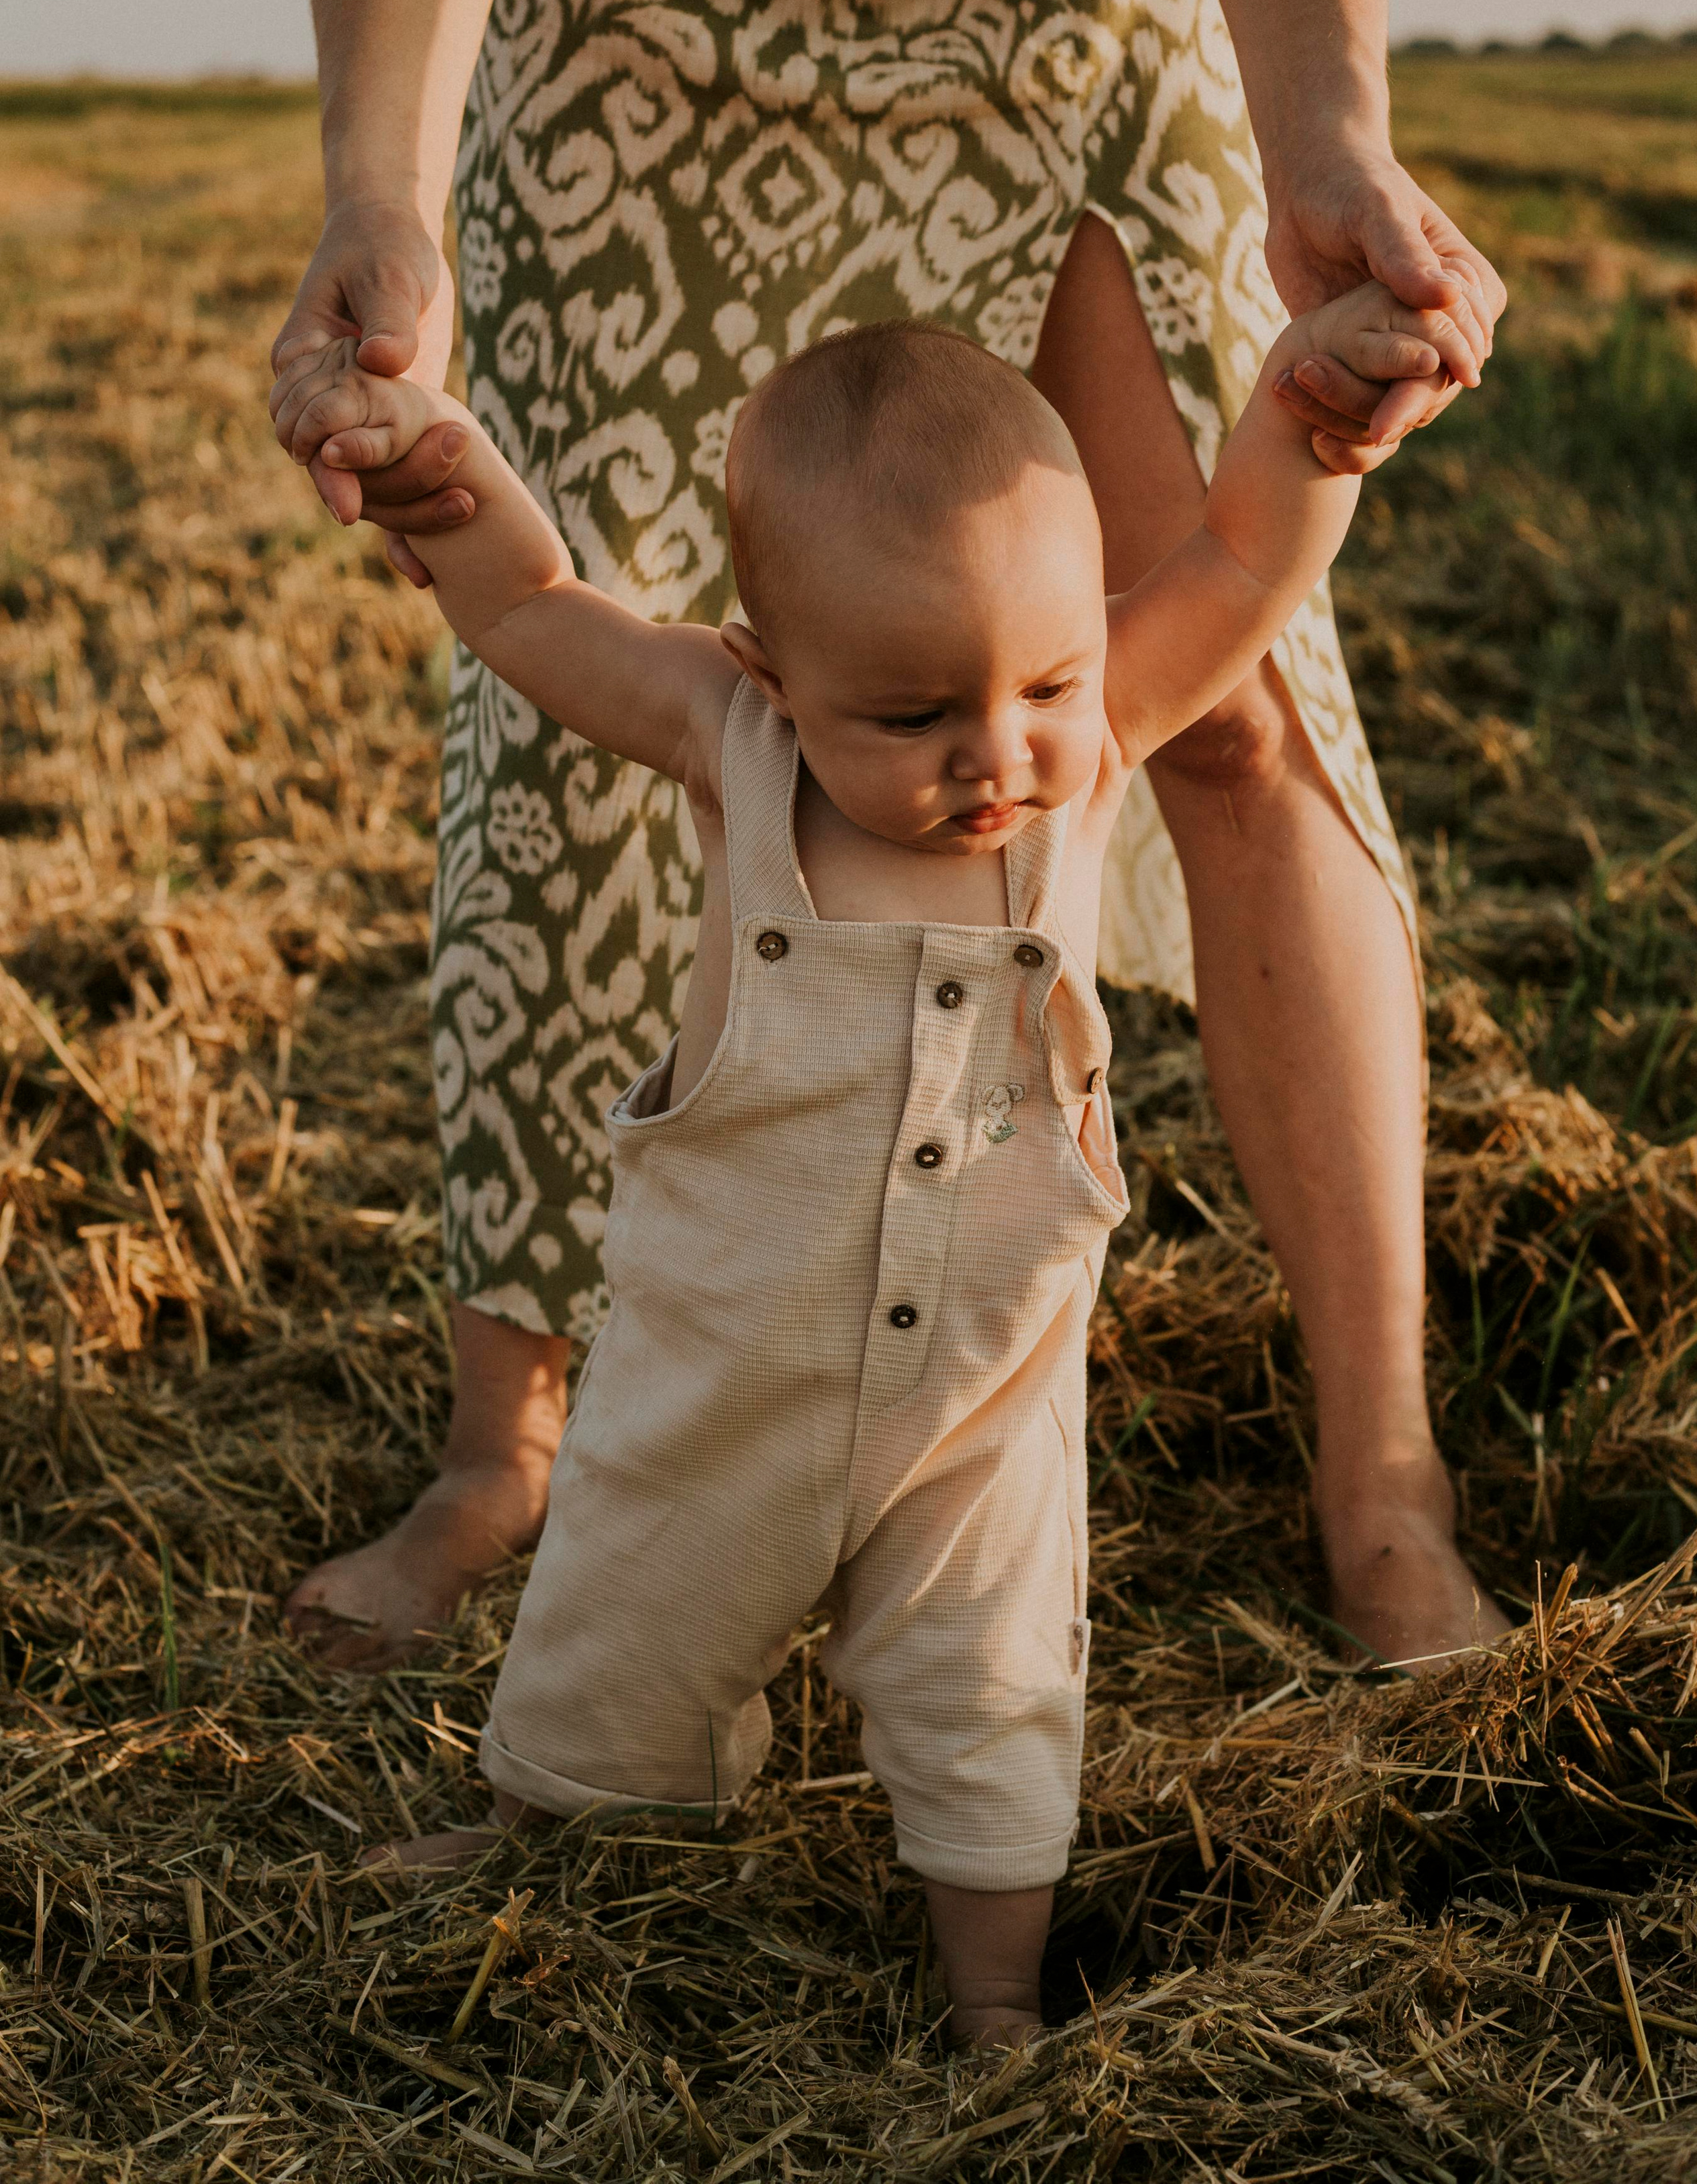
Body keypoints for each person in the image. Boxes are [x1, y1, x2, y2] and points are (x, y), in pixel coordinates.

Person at [270, 0, 1507, 1675]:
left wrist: (1328, 137)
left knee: (1225, 714)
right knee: (603, 723)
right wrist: (382, 189)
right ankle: (517, 1440)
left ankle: (1386, 1490)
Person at [271, 280, 1463, 2042]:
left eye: (1046, 682)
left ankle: (992, 1997)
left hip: (984, 1397)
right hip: (723, 1365)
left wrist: (1310, 429)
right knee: (616, 1640)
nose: (999, 756)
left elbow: (1237, 569)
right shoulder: (726, 741)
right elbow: (534, 606)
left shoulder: (1085, 745)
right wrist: (447, 480)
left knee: (996, 1708)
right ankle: (523, 1840)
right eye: (912, 716)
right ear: (774, 674)